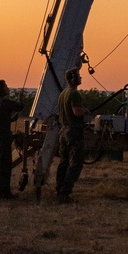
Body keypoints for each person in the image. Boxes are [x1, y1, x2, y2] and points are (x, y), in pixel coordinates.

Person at [56, 67, 86, 203]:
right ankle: (65, 193)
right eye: (79, 75)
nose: (81, 77)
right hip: (74, 132)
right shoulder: (74, 94)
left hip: (63, 132)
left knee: (64, 162)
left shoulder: (63, 93)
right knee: (76, 164)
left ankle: (59, 189)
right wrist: (86, 110)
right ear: (73, 78)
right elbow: (77, 112)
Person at [0, 79, 21, 198]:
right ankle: (5, 192)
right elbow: (19, 106)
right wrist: (19, 98)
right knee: (5, 166)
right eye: (6, 87)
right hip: (3, 137)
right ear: (1, 90)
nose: (8, 88)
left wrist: (11, 118)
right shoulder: (4, 102)